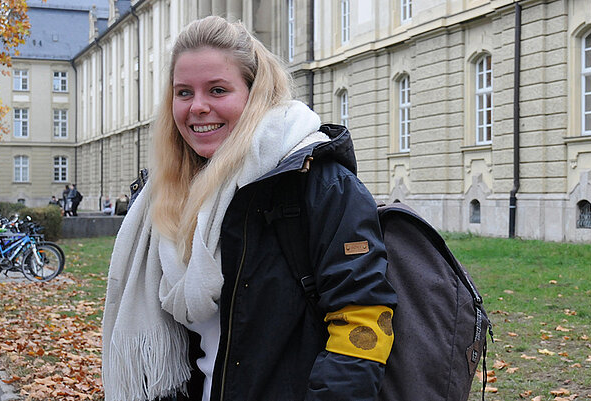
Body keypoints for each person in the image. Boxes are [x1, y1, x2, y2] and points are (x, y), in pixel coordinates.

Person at [103, 16, 396, 401]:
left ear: (255, 93)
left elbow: (362, 317)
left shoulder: (318, 182)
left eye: (218, 89)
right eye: (184, 92)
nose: (198, 107)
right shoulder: (169, 195)